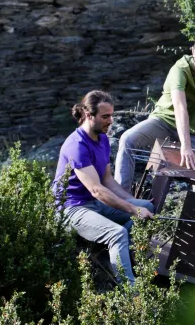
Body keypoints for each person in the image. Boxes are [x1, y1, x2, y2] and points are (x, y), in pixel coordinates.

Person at [53, 90, 155, 283]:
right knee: (117, 233)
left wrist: (133, 202)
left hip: (93, 204)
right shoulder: (76, 145)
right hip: (72, 209)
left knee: (147, 207)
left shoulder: (102, 139)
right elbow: (96, 190)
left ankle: (124, 259)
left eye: (111, 115)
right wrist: (133, 209)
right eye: (105, 116)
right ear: (89, 115)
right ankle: (129, 291)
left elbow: (107, 180)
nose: (111, 121)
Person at [114, 32, 195, 189]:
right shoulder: (180, 69)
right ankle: (122, 198)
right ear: (192, 52)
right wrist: (186, 146)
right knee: (127, 139)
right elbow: (180, 107)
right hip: (165, 121)